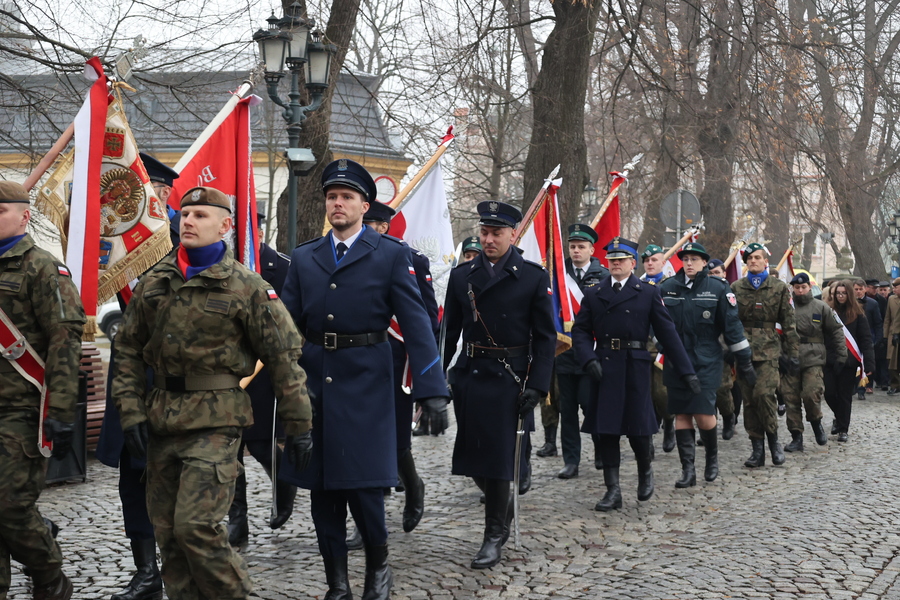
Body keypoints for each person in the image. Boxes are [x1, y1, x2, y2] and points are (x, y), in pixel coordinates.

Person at [113, 186, 314, 600]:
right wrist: (130, 412)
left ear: (225, 226)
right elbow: (128, 349)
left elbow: (283, 359)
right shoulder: (155, 282)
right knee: (168, 536)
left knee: (196, 528)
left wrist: (298, 425)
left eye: (201, 215)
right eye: (185, 213)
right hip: (162, 419)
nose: (188, 221)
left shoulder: (247, 287)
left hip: (217, 421)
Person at [277, 159, 448, 599]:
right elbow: (287, 329)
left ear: (363, 205)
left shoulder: (391, 255)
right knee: (321, 491)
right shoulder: (304, 256)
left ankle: (378, 570)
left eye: (346, 197)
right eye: (332, 196)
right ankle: (337, 583)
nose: (338, 204)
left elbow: (416, 324)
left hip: (370, 385)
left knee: (366, 489)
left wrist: (432, 391)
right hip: (315, 385)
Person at [442, 200, 556, 569]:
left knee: (496, 459)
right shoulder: (462, 277)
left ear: (512, 234)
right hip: (472, 373)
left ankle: (493, 534)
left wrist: (538, 385)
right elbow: (448, 334)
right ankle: (503, 509)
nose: (488, 239)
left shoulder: (533, 277)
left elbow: (545, 338)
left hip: (512, 377)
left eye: (496, 233)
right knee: (473, 457)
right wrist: (435, 379)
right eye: (484, 232)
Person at [96, 152, 180, 600]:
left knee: (181, 476)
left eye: (158, 191)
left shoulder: (186, 241)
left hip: (177, 378)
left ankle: (182, 569)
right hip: (132, 373)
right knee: (134, 475)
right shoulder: (120, 237)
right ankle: (146, 572)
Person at [0, 181, 84, 600]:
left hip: (21, 409)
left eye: (0, 211)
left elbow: (64, 340)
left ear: (23, 216)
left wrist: (62, 409)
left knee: (10, 506)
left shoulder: (43, 268)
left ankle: (49, 574)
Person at [572, 237, 699, 511]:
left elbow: (668, 334)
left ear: (632, 263)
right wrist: (587, 357)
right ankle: (613, 490)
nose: (616, 264)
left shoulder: (648, 292)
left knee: (639, 430)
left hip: (635, 365)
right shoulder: (594, 293)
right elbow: (580, 331)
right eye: (612, 260)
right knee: (606, 432)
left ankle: (645, 472)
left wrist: (687, 372)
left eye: (621, 259)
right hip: (603, 366)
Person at [363, 200, 439, 534]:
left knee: (394, 438)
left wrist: (426, 370)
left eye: (371, 224)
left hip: (396, 356)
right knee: (360, 436)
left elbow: (425, 316)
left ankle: (413, 484)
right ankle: (366, 515)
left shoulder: (410, 258)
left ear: (383, 226)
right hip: (359, 357)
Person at [226, 208, 298, 548]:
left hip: (262, 372)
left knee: (259, 443)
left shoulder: (280, 266)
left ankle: (284, 484)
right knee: (230, 449)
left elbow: (289, 322)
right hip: (225, 372)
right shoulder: (218, 267)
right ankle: (237, 521)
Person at [658, 243, 755, 487]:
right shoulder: (667, 288)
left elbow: (732, 327)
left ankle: (711, 459)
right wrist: (662, 345)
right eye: (686, 258)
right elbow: (655, 324)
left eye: (694, 259)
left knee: (703, 413)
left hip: (706, 358)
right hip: (677, 359)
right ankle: (687, 470)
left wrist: (744, 362)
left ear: (704, 263)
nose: (689, 263)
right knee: (682, 413)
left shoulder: (718, 288)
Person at [730, 243, 799, 468]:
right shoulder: (736, 287)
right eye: (749, 258)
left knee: (764, 396)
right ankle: (756, 449)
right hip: (743, 350)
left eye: (757, 257)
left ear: (765, 261)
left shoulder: (779, 287)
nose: (753, 261)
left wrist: (793, 354)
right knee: (749, 401)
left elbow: (789, 323)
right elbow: (730, 321)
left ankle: (774, 442)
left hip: (769, 351)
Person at [553, 224, 608, 479]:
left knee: (591, 405)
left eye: (581, 247)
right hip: (564, 351)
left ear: (591, 249)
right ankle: (571, 460)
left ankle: (600, 449)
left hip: (591, 353)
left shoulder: (604, 275)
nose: (576, 251)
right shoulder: (557, 273)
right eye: (573, 246)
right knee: (567, 410)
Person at [781, 272, 846, 451]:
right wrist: (780, 356)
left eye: (803, 287)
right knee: (791, 399)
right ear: (792, 288)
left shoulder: (820, 307)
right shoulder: (786, 307)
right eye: (797, 287)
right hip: (790, 358)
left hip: (814, 358)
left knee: (811, 394)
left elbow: (836, 330)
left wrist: (842, 355)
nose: (800, 291)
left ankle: (816, 423)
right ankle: (796, 437)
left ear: (809, 287)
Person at [824, 280, 874, 442]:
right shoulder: (828, 312)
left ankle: (843, 428)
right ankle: (839, 418)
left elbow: (865, 339)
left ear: (849, 295)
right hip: (830, 360)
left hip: (849, 362)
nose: (840, 296)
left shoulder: (858, 314)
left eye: (844, 293)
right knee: (829, 393)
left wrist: (869, 363)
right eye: (838, 293)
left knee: (845, 396)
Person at [639, 244, 676, 453]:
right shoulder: (637, 284)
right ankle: (648, 438)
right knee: (644, 395)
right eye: (647, 260)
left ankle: (669, 424)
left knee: (662, 394)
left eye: (654, 260)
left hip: (662, 347)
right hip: (641, 347)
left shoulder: (671, 286)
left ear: (663, 262)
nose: (650, 263)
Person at [707, 258, 740, 438]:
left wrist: (732, 349)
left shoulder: (731, 293)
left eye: (717, 273)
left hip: (724, 349)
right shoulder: (702, 291)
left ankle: (729, 418)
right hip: (705, 347)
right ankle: (709, 429)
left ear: (724, 274)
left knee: (721, 390)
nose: (713, 276)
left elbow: (734, 323)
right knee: (705, 390)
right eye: (710, 274)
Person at [854, 278, 882, 397]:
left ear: (865, 289)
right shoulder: (849, 303)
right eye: (856, 289)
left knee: (865, 364)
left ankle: (862, 389)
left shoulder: (872, 304)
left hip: (868, 338)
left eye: (861, 289)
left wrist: (877, 339)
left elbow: (878, 323)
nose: (859, 292)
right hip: (853, 337)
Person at [884, 278, 900, 395]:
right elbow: (887, 318)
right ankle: (895, 385)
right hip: (893, 335)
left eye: (896, 287)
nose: (894, 289)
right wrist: (886, 336)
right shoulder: (891, 299)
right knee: (891, 362)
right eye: (893, 287)